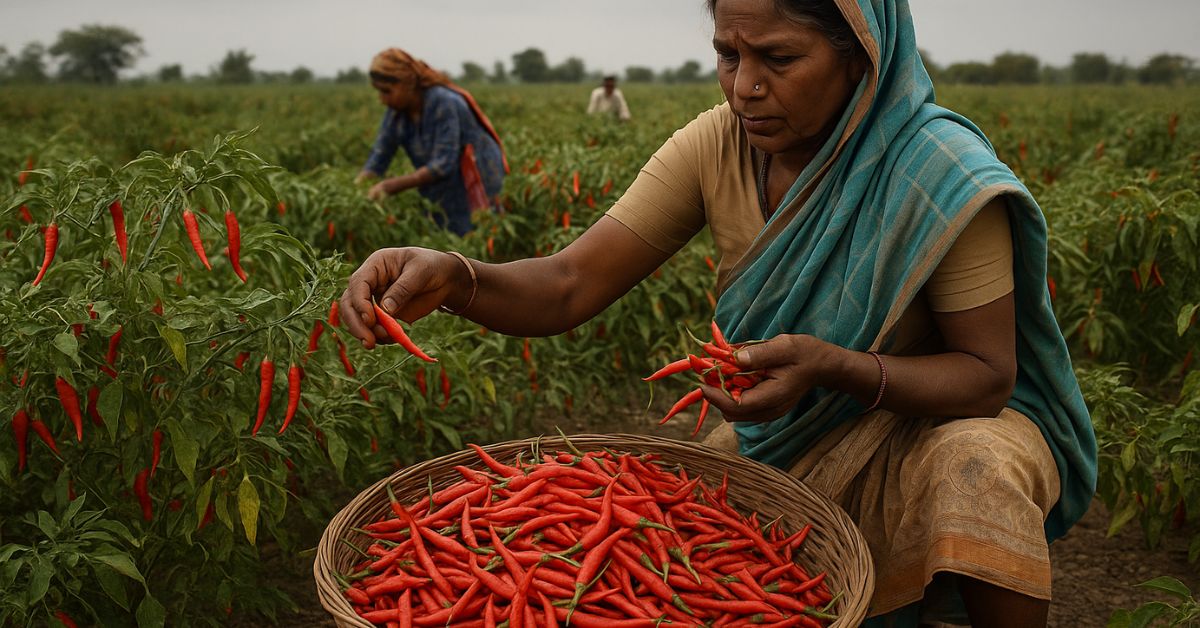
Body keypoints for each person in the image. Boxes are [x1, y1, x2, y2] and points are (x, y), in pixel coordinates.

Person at [338, 1, 1097, 625]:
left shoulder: (939, 175)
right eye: (728, 55)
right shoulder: (718, 145)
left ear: (862, 55)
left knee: (974, 471)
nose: (744, 88)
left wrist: (833, 367)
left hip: (937, 416)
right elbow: (569, 283)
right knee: (674, 536)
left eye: (779, 58)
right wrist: (458, 274)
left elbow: (986, 377)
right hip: (795, 417)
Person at [355, 48, 509, 236]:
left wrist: (390, 186)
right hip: (442, 179)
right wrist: (358, 187)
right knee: (441, 229)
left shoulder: (444, 102)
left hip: (475, 173)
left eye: (387, 91)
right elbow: (379, 156)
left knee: (477, 230)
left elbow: (443, 164)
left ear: (408, 84)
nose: (382, 99)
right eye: (379, 92)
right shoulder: (396, 113)